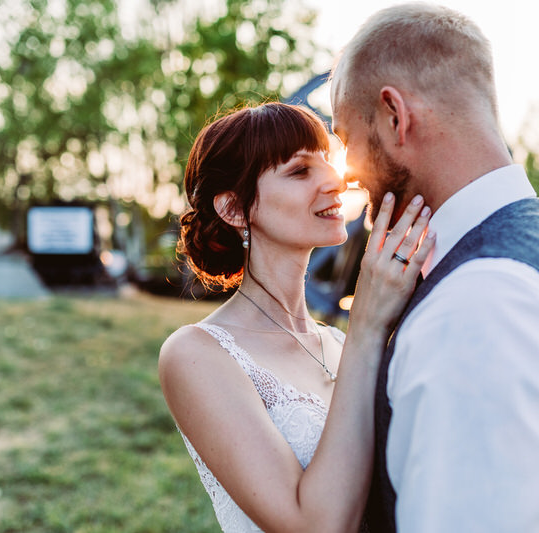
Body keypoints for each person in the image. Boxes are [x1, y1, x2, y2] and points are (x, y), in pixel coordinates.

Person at [330, 3, 539, 532]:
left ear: (394, 116)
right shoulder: (530, 243)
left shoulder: (481, 306)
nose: (346, 175)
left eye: (344, 139)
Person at [158, 102, 435, 532]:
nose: (336, 180)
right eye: (300, 171)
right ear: (234, 209)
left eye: (328, 161)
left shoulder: (343, 346)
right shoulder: (195, 354)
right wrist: (366, 323)